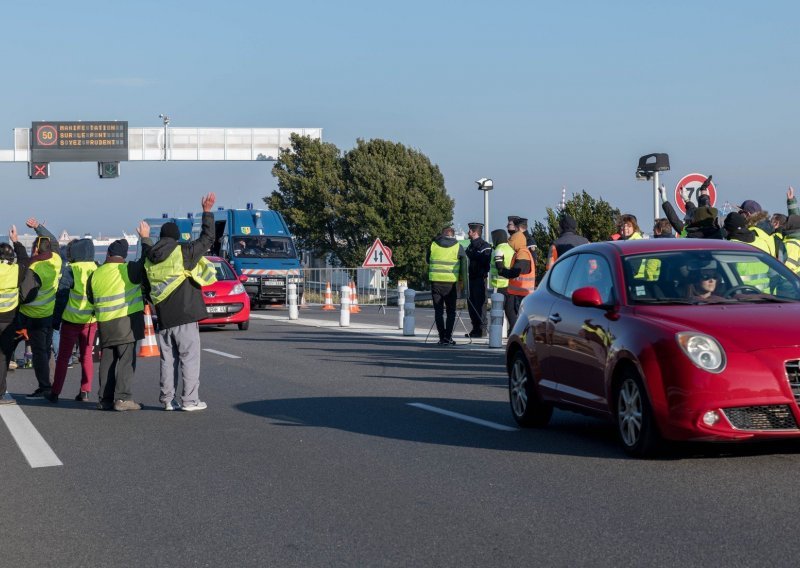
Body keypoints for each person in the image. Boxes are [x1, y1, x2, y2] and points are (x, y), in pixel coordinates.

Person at [144, 193, 217, 411]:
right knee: (189, 359)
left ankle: (167, 400)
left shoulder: (150, 257)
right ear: (176, 237)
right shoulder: (182, 252)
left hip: (164, 317)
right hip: (185, 315)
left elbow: (145, 284)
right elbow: (207, 240)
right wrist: (206, 213)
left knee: (168, 360)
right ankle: (190, 400)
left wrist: (144, 239)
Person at [87, 235, 148, 411]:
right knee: (126, 361)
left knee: (107, 361)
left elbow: (91, 298)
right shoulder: (129, 269)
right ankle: (122, 399)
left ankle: (105, 399)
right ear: (125, 255)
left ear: (108, 253)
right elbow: (146, 260)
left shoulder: (96, 273)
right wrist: (144, 239)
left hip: (105, 325)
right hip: (126, 323)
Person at [44, 237, 98, 403]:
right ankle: (85, 391)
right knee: (86, 355)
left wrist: (55, 320)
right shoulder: (97, 267)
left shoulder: (71, 270)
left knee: (63, 357)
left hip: (71, 320)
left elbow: (61, 296)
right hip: (91, 320)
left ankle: (55, 392)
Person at [19, 221, 63, 399]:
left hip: (32, 315)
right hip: (49, 312)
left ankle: (45, 386)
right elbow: (54, 241)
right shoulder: (56, 260)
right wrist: (38, 226)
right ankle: (49, 384)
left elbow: (26, 294)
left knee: (39, 353)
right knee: (46, 349)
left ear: (36, 250)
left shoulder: (34, 266)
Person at [0, 226, 38, 404]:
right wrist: (15, 241)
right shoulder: (16, 271)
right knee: (3, 357)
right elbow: (24, 259)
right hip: (8, 321)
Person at [426, 226, 467, 346]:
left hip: (436, 283)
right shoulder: (458, 246)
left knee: (438, 311)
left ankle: (441, 337)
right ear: (453, 235)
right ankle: (448, 337)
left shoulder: (433, 245)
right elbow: (464, 264)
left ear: (442, 234)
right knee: (451, 312)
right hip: (451, 284)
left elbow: (428, 260)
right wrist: (462, 283)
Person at [497, 222, 535, 329]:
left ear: (517, 241)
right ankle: (514, 333)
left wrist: (502, 270)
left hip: (521, 293)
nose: (510, 245)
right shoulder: (520, 252)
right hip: (517, 292)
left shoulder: (523, 253)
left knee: (514, 315)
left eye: (512, 242)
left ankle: (516, 334)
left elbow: (515, 272)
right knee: (511, 312)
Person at [464, 222, 491, 338]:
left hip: (480, 279)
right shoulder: (470, 245)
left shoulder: (485, 245)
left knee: (480, 305)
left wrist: (473, 253)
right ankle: (475, 329)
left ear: (475, 232)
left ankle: (482, 329)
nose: (468, 233)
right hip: (471, 279)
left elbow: (484, 260)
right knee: (471, 305)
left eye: (470, 231)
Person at [490, 228, 515, 325]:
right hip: (511, 285)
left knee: (497, 313)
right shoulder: (511, 249)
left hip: (499, 285)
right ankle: (513, 332)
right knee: (510, 311)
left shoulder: (499, 249)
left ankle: (496, 336)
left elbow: (499, 266)